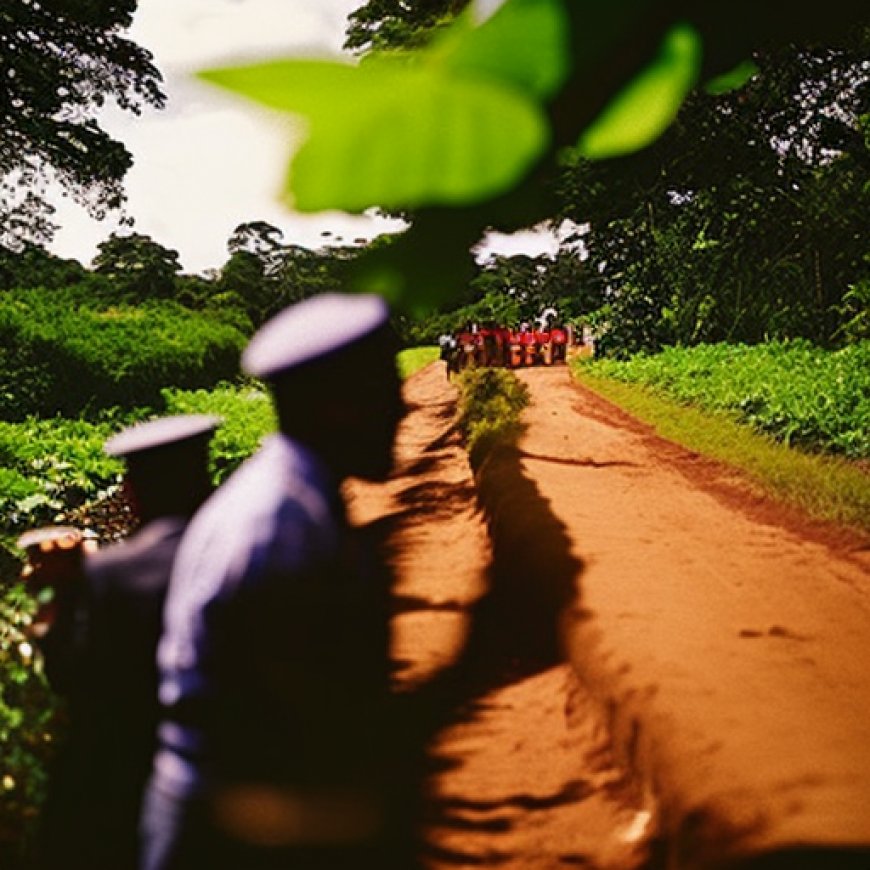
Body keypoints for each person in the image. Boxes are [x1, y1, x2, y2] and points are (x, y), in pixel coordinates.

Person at [141, 293, 408, 870]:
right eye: (387, 389)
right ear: (339, 406)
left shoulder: (299, 499)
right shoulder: (279, 531)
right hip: (233, 827)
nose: (404, 409)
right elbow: (306, 720)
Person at [32, 414, 220, 870]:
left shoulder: (113, 575)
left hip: (138, 769)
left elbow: (66, 673)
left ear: (133, 494)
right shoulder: (232, 553)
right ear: (207, 478)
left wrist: (62, 593)